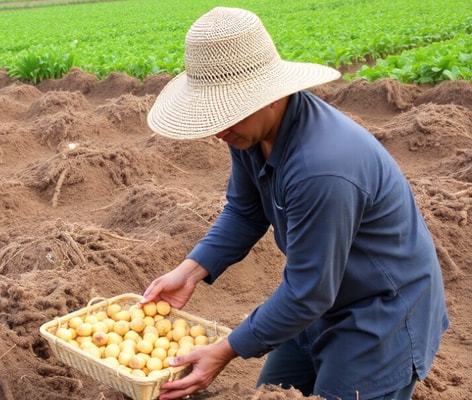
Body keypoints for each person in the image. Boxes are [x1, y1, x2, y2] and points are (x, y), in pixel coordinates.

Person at [140, 7, 448, 400]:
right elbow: (244, 211)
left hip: (382, 312)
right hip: (324, 297)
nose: (219, 130)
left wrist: (225, 350)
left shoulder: (322, 168)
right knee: (274, 390)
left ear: (271, 95)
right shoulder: (249, 132)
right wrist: (190, 271)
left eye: (227, 113)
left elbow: (308, 292)